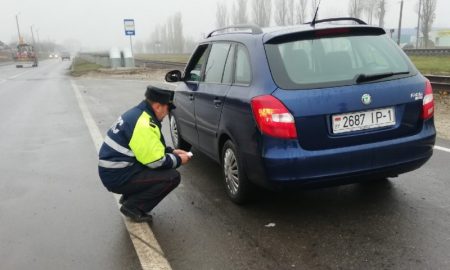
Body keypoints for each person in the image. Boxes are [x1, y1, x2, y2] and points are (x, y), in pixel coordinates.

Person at [98, 86, 191, 222]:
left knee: (156, 167)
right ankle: (133, 206)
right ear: (158, 106)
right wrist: (178, 160)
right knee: (172, 177)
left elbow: (148, 149)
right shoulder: (144, 123)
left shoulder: (139, 114)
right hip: (117, 175)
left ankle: (130, 196)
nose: (167, 113)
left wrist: (171, 151)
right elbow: (156, 162)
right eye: (168, 109)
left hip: (115, 170)